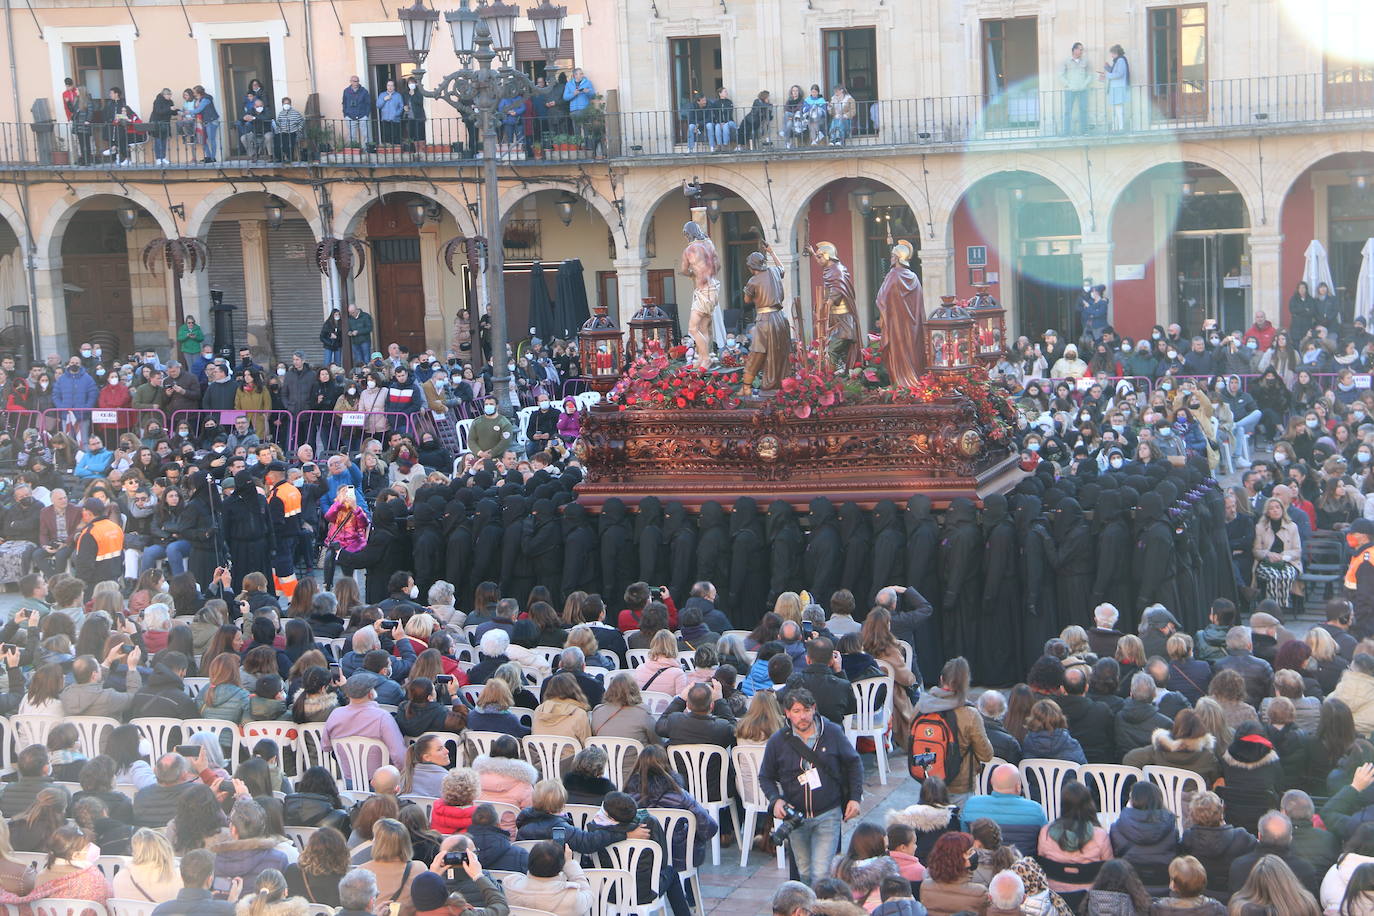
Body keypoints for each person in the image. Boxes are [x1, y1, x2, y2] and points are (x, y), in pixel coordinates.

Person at [760, 687, 864, 886]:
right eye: (797, 711)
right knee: (805, 873)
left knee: (821, 875)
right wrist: (775, 799)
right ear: (787, 713)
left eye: (806, 710)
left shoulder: (832, 732)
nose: (802, 716)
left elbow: (854, 763)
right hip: (796, 818)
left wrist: (855, 798)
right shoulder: (778, 741)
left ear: (814, 709)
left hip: (827, 814)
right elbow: (765, 776)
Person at [680, 220, 721, 371]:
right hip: (714, 287)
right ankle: (702, 358)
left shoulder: (689, 249)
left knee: (692, 328)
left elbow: (684, 270)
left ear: (687, 234)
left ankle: (706, 358)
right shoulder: (709, 244)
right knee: (704, 326)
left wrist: (693, 273)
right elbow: (718, 266)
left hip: (704, 290)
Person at [149, 848, 237, 916]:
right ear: (210, 880)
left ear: (182, 877)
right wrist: (232, 902)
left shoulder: (161, 911)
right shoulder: (227, 910)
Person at [1061, 42, 1093, 134]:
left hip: (1082, 90)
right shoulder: (1066, 61)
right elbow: (1060, 75)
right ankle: (1066, 132)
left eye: (1082, 49)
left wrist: (1085, 84)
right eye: (1080, 49)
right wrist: (1068, 84)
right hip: (1070, 90)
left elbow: (1090, 75)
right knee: (1068, 111)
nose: (1082, 51)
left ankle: (1084, 131)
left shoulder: (1085, 62)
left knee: (1083, 110)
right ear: (1074, 50)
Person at [1104, 44, 1130, 131]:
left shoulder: (1121, 60)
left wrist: (1107, 75)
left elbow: (1119, 74)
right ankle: (1115, 128)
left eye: (1112, 53)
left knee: (1118, 109)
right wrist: (1107, 68)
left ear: (1116, 53)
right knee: (1116, 109)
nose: (1111, 55)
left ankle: (1120, 128)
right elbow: (1114, 71)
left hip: (1118, 88)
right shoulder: (1117, 61)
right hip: (1115, 88)